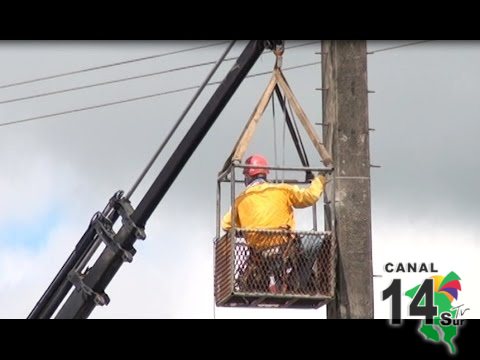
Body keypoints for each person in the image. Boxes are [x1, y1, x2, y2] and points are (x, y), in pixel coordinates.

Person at [222, 154, 327, 293]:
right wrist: (320, 178)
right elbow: (310, 196)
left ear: (248, 177)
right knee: (316, 240)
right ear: (265, 174)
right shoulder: (282, 190)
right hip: (286, 250)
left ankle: (285, 280)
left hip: (260, 255)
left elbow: (226, 226)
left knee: (277, 261)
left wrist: (246, 230)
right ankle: (298, 281)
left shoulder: (240, 200)